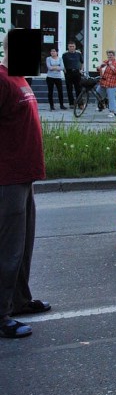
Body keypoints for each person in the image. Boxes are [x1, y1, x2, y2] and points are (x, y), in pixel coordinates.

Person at [1, 32, 51, 339]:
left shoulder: (20, 78)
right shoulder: (2, 80)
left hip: (24, 176)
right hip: (6, 179)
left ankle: (18, 300)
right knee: (6, 249)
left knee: (21, 247)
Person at [96, 50, 116, 118]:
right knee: (97, 93)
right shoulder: (105, 62)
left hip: (111, 84)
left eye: (111, 55)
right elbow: (100, 69)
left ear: (114, 56)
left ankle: (112, 112)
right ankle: (102, 105)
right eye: (108, 55)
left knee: (111, 98)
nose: (109, 57)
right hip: (103, 82)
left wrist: (111, 65)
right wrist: (98, 67)